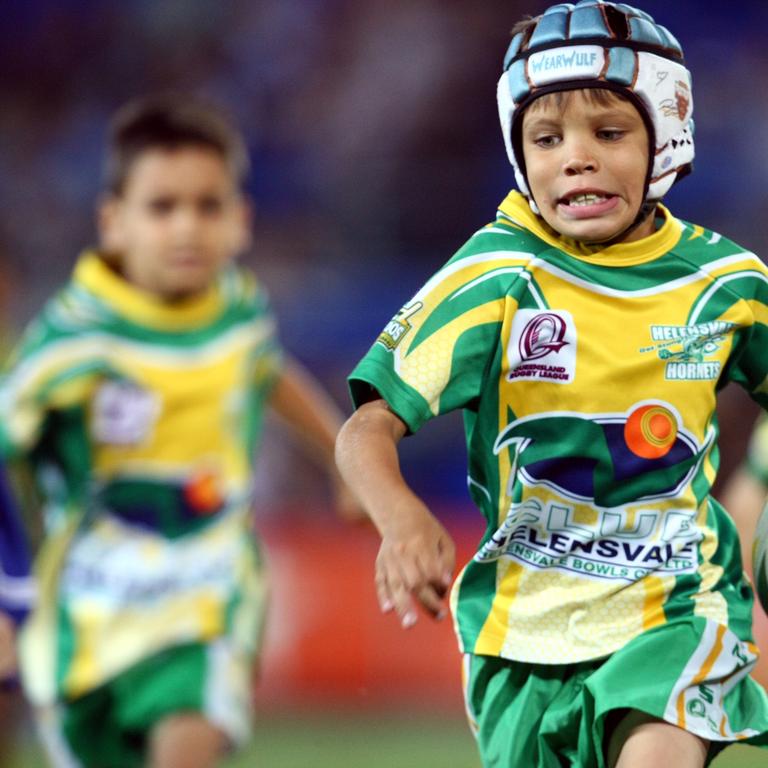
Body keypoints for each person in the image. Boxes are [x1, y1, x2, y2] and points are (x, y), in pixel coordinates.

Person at [335, 2, 768, 766]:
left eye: (608, 132)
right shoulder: (495, 275)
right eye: (546, 137)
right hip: (518, 637)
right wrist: (399, 518)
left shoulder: (730, 285)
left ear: (666, 136)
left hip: (674, 615)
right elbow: (366, 428)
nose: (576, 157)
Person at [0, 94, 359, 768]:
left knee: (187, 735)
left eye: (208, 206)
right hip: (89, 617)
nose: (188, 228)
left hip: (207, 601)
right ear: (113, 222)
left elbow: (269, 370)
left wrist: (342, 461)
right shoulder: (70, 344)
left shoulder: (238, 306)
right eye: (163, 208)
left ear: (241, 220)